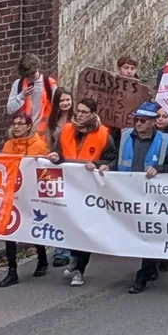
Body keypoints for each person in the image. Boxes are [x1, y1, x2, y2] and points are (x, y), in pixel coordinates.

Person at [45, 98, 116, 287]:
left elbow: (112, 160)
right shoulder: (66, 130)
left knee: (86, 229)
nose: (80, 115)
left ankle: (80, 269)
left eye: (85, 112)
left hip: (90, 190)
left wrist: (98, 164)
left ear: (93, 114)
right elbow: (59, 153)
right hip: (69, 187)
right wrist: (55, 157)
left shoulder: (103, 134)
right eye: (79, 111)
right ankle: (75, 258)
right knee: (72, 226)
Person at [113, 102, 168, 294]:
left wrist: (159, 169)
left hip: (153, 197)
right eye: (136, 119)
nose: (138, 123)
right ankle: (151, 268)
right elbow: (116, 161)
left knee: (149, 233)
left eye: (143, 120)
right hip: (127, 195)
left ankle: (143, 274)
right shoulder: (125, 136)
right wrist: (104, 167)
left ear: (153, 122)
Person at [0, 113, 51, 288]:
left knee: (34, 225)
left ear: (29, 126)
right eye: (15, 124)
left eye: (21, 124)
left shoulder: (39, 146)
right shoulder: (8, 145)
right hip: (12, 194)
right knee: (10, 231)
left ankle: (42, 259)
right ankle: (12, 270)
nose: (17, 127)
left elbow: (45, 170)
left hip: (31, 194)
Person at [6, 52, 57, 131]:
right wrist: (21, 96)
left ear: (38, 68)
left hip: (43, 132)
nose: (30, 77)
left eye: (32, 74)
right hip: (23, 131)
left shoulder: (50, 84)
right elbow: (10, 109)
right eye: (27, 75)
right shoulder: (18, 84)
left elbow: (56, 109)